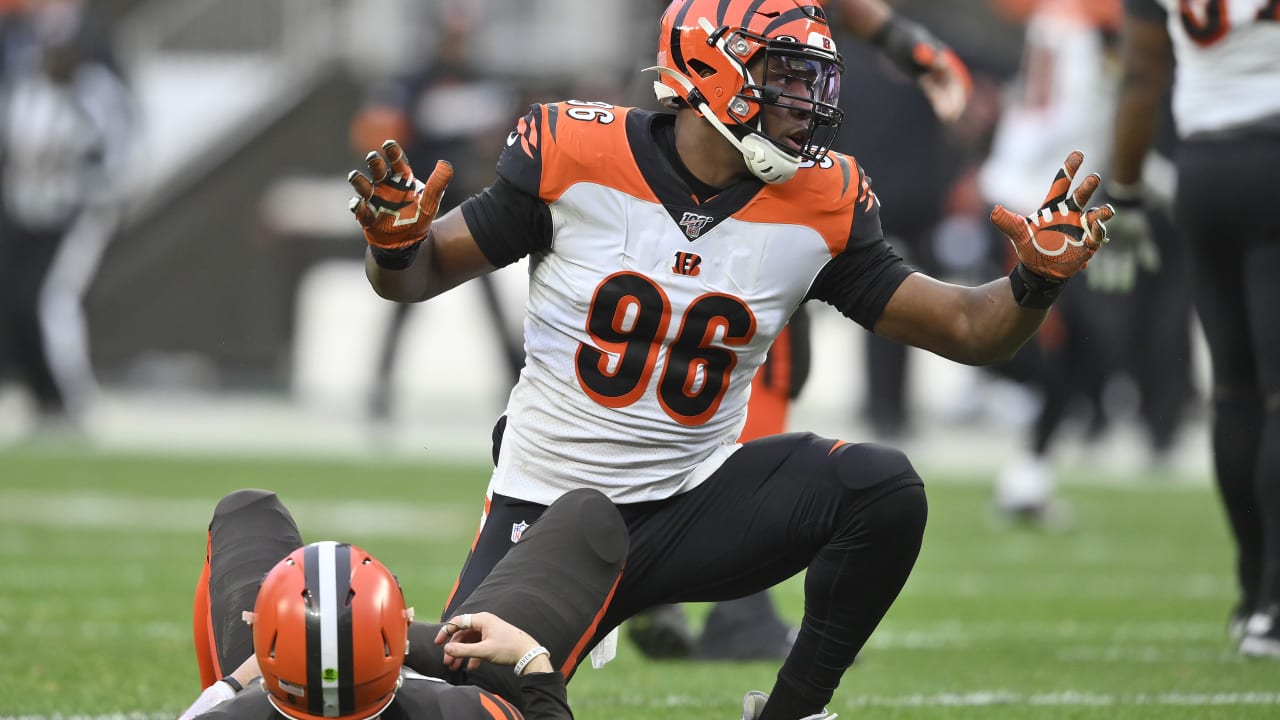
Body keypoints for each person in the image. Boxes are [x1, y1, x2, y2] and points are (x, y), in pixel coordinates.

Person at [345, 1, 1112, 716]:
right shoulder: (574, 152)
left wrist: (1033, 282)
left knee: (883, 490)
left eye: (810, 78)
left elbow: (968, 328)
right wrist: (394, 245)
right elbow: (420, 274)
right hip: (548, 509)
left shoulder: (821, 199)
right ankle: (367, 639)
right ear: (710, 69)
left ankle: (792, 711)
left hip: (693, 500)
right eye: (784, 75)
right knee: (479, 703)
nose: (805, 99)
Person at [627, 0, 976, 662]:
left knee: (728, 344)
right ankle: (723, 597)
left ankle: (642, 561)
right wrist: (910, 46)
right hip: (721, 106)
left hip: (700, 104)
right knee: (757, 350)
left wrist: (903, 43)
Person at [1105, 0, 1280, 657]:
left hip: (1206, 168)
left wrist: (1123, 196)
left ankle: (1254, 594)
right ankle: (1275, 605)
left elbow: (1140, 76)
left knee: (1234, 390)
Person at [179, 486, 628, 719]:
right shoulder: (462, 711)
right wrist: (532, 660)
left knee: (246, 509)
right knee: (590, 519)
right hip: (395, 672)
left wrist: (233, 685)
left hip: (292, 679)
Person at [0, 0, 134, 436]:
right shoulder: (23, 89)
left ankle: (73, 398)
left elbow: (118, 150)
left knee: (52, 300)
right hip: (24, 211)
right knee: (18, 302)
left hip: (73, 211)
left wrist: (101, 190)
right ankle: (43, 397)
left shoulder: (95, 92)